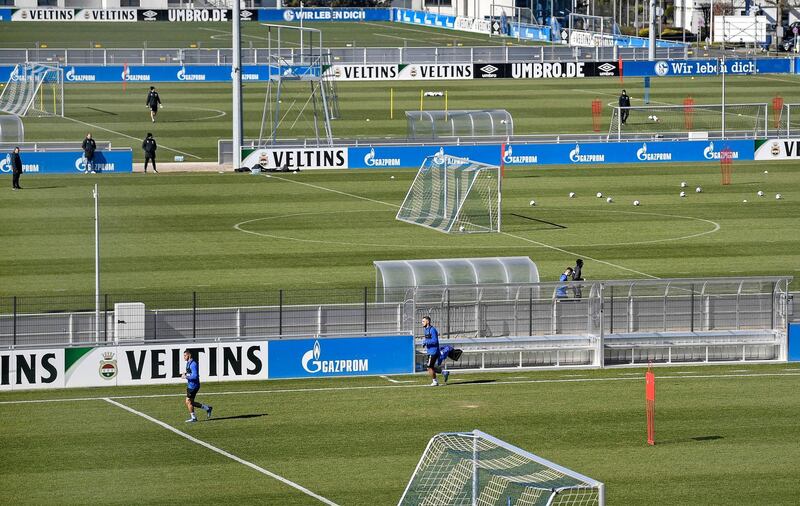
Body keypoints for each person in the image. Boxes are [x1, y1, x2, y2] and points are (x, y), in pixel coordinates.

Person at [180, 349, 212, 423]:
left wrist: (186, 377)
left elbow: (195, 376)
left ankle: (194, 417)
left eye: (185, 355)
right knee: (191, 402)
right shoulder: (188, 363)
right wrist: (185, 374)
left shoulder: (193, 364)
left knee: (188, 401)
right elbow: (190, 373)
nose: (184, 357)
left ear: (189, 355)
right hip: (190, 385)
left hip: (194, 386)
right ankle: (207, 408)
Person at [422, 316, 448, 386]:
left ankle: (435, 381)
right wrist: (425, 344)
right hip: (429, 351)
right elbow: (428, 340)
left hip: (433, 351)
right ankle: (444, 372)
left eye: (423, 321)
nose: (422, 323)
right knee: (430, 367)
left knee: (429, 367)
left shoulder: (432, 330)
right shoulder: (426, 330)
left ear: (427, 321)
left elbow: (435, 341)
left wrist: (426, 342)